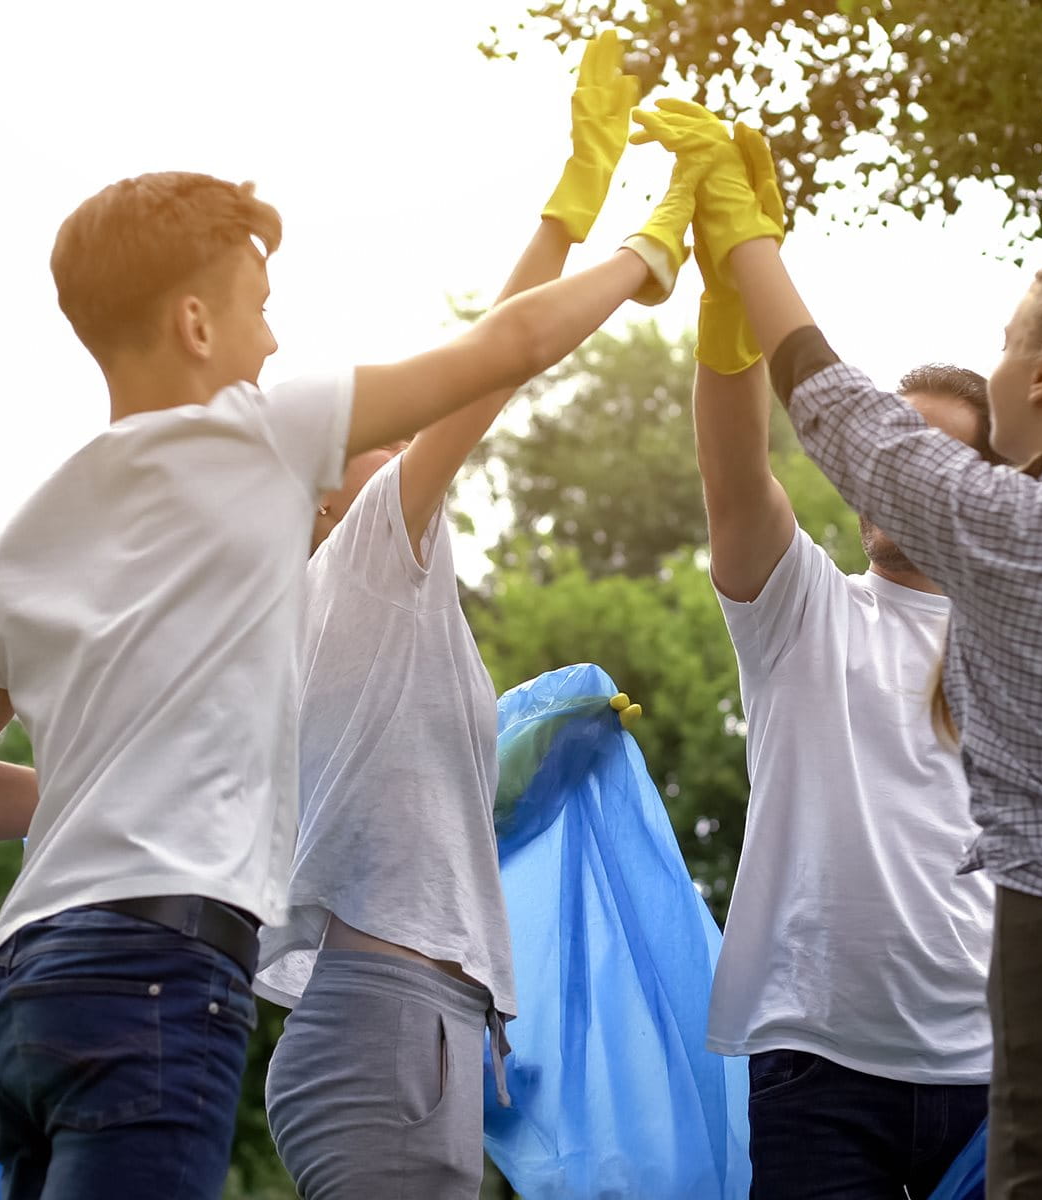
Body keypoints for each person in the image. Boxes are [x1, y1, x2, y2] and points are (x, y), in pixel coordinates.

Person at [0, 57, 695, 1196]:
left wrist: (79, 792)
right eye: (259, 312)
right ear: (195, 322)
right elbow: (497, 358)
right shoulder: (270, 449)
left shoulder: (39, 533)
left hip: (31, 973)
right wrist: (646, 242)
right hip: (165, 978)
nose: (274, 344)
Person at [636, 99, 1042, 1199]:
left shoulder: (1016, 539)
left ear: (1037, 391)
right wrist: (725, 318)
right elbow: (740, 471)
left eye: (1006, 347)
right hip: (855, 1057)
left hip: (1027, 1045)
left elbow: (840, 414)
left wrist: (750, 254)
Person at [253, 34, 654, 1200]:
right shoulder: (367, 551)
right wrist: (580, 217)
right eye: (374, 435)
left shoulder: (342, 610)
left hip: (411, 1019)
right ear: (325, 486)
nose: (401, 440)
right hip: (388, 1024)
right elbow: (491, 358)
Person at [692, 157, 996, 1190]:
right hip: (819, 1073)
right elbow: (735, 470)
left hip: (999, 1076)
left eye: (923, 451)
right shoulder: (805, 610)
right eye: (881, 444)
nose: (885, 467)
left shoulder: (1018, 640)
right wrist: (729, 305)